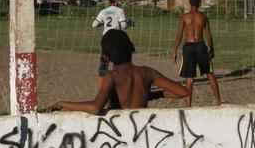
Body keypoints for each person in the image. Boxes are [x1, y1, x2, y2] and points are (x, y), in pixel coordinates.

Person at [53, 29, 188, 114]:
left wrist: (61, 104)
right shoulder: (147, 72)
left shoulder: (112, 76)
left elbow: (95, 107)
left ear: (107, 55)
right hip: (141, 128)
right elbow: (183, 92)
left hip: (119, 131)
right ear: (130, 48)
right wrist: (153, 94)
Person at [172, 0, 222, 107]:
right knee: (210, 74)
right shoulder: (203, 17)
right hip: (200, 46)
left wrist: (174, 50)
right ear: (199, 3)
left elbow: (179, 35)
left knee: (189, 78)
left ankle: (188, 105)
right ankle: (218, 101)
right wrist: (212, 49)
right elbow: (208, 35)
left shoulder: (184, 17)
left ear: (190, 3)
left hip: (188, 47)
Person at [90, 0, 129, 91]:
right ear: (116, 1)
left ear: (109, 1)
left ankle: (102, 86)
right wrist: (129, 22)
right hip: (116, 38)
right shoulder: (120, 10)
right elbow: (123, 26)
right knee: (118, 61)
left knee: (104, 62)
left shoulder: (103, 11)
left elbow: (94, 25)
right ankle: (120, 84)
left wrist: (103, 23)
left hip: (106, 38)